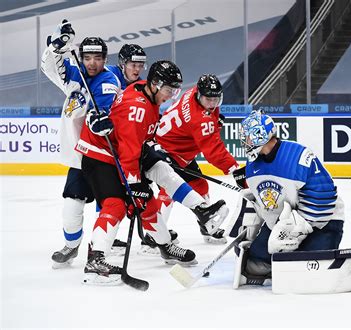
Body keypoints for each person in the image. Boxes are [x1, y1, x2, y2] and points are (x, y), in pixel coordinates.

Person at [76, 60, 229, 285]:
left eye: (175, 90)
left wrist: (137, 186)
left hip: (127, 148)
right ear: (155, 84)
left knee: (161, 171)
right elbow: (129, 151)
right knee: (117, 205)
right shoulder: (137, 108)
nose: (171, 95)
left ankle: (199, 211)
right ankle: (95, 261)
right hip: (101, 155)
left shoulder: (146, 92)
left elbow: (133, 144)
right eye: (169, 90)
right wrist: (134, 185)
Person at [40, 19, 121, 268]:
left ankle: (100, 248)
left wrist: (99, 118)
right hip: (79, 156)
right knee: (71, 203)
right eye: (87, 58)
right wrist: (56, 47)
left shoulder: (107, 82)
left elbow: (104, 107)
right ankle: (72, 246)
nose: (92, 63)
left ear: (105, 59)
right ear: (81, 58)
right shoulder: (76, 75)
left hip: (100, 155)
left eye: (97, 58)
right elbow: (50, 69)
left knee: (106, 203)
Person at [233, 110, 345, 285]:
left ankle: (298, 253)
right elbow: (268, 200)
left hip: (322, 222)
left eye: (247, 138)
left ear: (260, 136)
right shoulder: (252, 164)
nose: (244, 142)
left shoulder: (298, 155)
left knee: (307, 266)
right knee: (254, 264)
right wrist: (255, 205)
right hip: (282, 224)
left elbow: (324, 198)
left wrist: (296, 230)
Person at [142, 74, 239, 250]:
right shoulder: (200, 119)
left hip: (177, 150)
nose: (212, 104)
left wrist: (214, 122)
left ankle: (207, 225)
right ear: (200, 95)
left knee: (200, 186)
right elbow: (214, 152)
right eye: (208, 99)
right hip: (167, 152)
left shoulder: (193, 92)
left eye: (215, 99)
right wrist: (235, 169)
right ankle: (153, 237)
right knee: (169, 191)